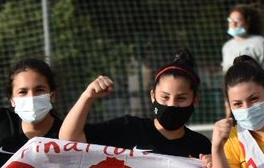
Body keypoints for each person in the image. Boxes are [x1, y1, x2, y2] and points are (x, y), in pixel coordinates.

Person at [60, 51, 211, 159]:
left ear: (195, 100)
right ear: (153, 96)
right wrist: (87, 96)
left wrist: (214, 164)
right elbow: (68, 140)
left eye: (181, 98)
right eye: (164, 97)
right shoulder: (128, 129)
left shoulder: (201, 146)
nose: (171, 104)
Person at [221, 5, 264, 97]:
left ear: (247, 21)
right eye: (230, 21)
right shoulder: (226, 47)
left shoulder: (259, 42)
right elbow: (227, 77)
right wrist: (227, 103)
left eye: (237, 20)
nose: (233, 24)